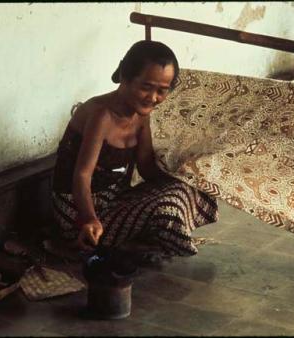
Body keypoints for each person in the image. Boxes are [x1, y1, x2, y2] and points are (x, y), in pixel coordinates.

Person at [51, 40, 218, 257]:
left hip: (114, 201)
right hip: (80, 213)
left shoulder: (141, 116)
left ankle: (131, 239)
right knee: (168, 206)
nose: (153, 97)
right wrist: (89, 219)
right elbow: (82, 175)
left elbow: (146, 167)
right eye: (146, 87)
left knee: (187, 189)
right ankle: (105, 241)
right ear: (125, 78)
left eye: (162, 91)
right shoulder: (101, 114)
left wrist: (187, 174)